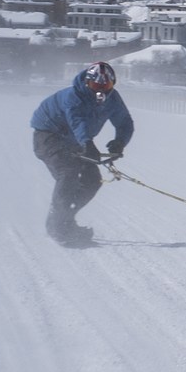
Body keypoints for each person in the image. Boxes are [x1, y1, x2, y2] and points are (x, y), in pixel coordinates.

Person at [30, 60, 134, 245]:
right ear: (87, 83)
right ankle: (58, 225)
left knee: (92, 180)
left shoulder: (113, 99)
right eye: (95, 86)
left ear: (112, 84)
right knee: (68, 173)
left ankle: (65, 218)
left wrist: (120, 142)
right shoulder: (74, 96)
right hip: (48, 135)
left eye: (105, 86)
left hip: (76, 140)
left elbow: (124, 122)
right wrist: (87, 143)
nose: (100, 91)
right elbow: (77, 122)